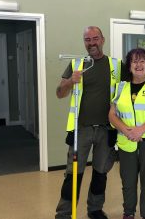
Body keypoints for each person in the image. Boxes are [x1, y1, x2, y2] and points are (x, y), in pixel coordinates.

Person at [55, 26, 128, 219]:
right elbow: (59, 93)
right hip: (81, 131)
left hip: (107, 129)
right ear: (84, 42)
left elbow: (129, 91)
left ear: (103, 40)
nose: (92, 43)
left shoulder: (116, 65)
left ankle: (95, 209)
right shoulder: (76, 64)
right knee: (73, 174)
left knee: (100, 173)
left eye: (95, 38)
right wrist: (70, 81)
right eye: (88, 39)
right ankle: (64, 213)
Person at [109, 48, 145, 219]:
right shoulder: (120, 87)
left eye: (142, 61)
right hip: (126, 142)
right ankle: (128, 213)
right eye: (134, 61)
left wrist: (140, 130)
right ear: (129, 66)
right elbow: (112, 114)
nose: (138, 64)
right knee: (128, 182)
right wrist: (125, 130)